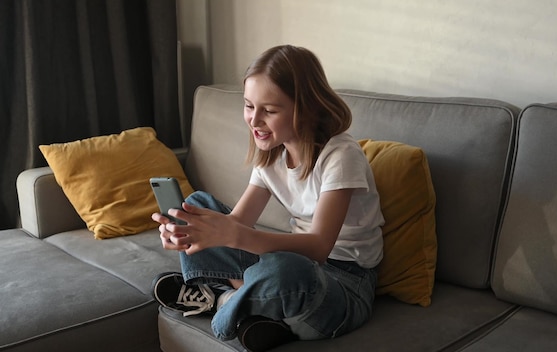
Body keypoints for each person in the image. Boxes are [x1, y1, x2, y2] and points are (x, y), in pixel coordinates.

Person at [151, 44, 384, 352]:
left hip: (344, 283)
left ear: (307, 108)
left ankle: (223, 301)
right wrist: (187, 230)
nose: (254, 120)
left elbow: (318, 247)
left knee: (287, 272)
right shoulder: (272, 157)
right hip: (298, 267)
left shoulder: (340, 156)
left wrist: (235, 235)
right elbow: (237, 223)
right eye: (249, 106)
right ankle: (259, 307)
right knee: (198, 207)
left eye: (270, 110)